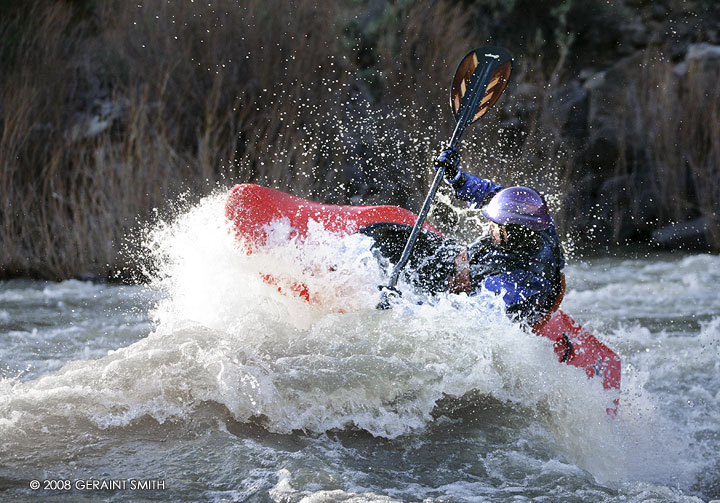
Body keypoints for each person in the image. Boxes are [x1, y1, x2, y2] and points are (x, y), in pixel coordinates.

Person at [434, 146, 566, 327]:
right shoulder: (539, 222)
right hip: (475, 269)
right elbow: (492, 195)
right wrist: (456, 177)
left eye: (495, 224)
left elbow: (465, 318)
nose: (490, 225)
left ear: (513, 233)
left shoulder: (514, 285)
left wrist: (404, 307)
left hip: (503, 311)